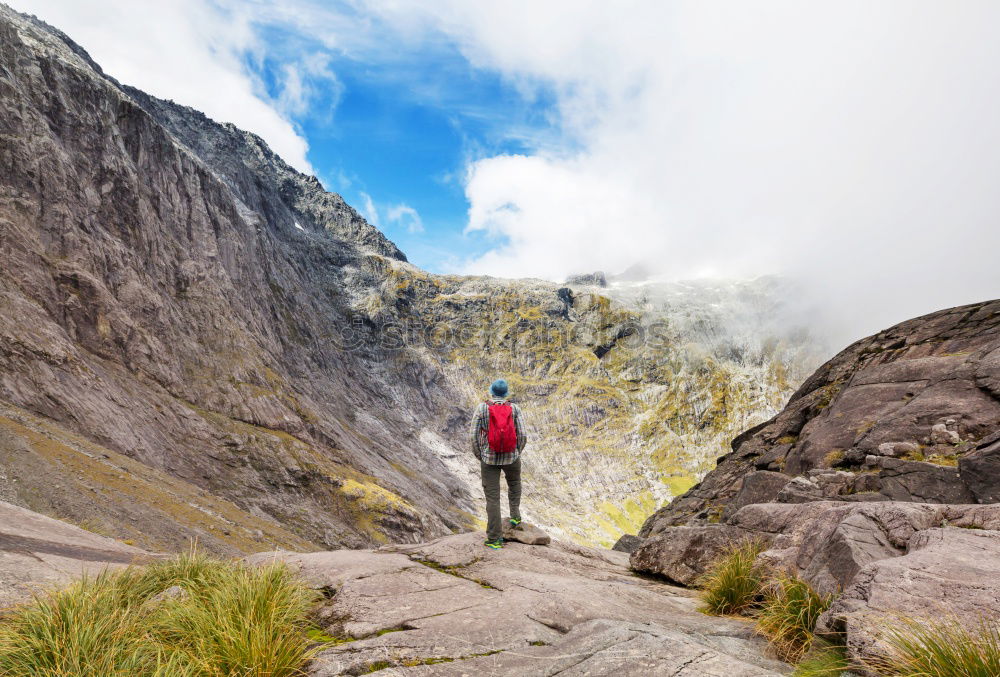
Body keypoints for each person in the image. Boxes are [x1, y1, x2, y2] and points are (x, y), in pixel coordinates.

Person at [470, 379, 527, 549]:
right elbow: (523, 435)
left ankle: (495, 539)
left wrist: (480, 455)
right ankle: (515, 517)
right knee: (515, 484)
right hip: (512, 457)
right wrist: (517, 452)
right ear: (506, 392)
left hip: (489, 459)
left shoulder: (482, 408)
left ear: (491, 392)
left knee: (492, 499)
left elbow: (473, 436)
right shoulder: (514, 408)